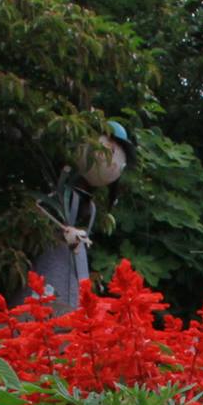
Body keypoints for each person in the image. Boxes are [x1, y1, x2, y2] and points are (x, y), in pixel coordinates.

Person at [34, 120, 135, 315]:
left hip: (74, 270)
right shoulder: (60, 195)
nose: (111, 160)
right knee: (46, 306)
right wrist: (62, 229)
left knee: (72, 308)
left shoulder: (91, 207)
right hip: (51, 267)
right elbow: (40, 208)